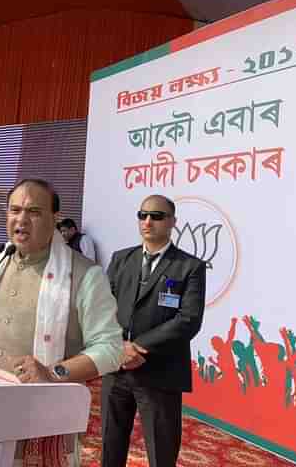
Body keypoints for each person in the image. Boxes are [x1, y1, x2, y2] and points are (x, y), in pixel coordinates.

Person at [0, 179, 123, 467]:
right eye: (14, 210)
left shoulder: (85, 275)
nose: (21, 220)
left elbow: (111, 348)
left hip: (34, 420)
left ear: (55, 218)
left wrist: (54, 372)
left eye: (34, 211)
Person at [101, 195, 206, 467]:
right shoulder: (121, 259)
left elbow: (188, 319)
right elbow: (103, 308)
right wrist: (119, 347)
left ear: (172, 222)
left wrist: (137, 347)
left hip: (160, 372)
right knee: (111, 445)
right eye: (143, 215)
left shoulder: (190, 266)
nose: (148, 221)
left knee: (162, 451)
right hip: (116, 369)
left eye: (157, 216)